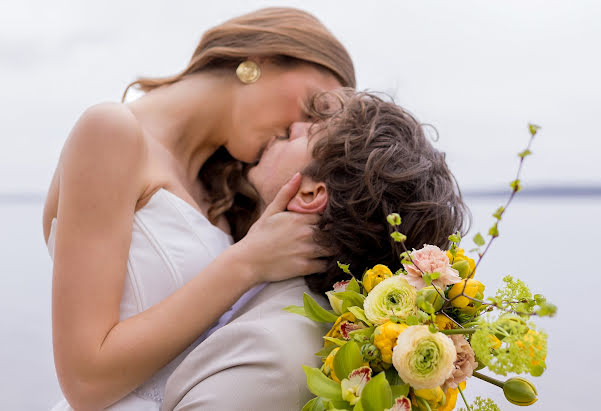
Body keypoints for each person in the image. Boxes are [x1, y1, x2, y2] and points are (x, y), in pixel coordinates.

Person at [42, 8, 355, 411]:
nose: (300, 127)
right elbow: (84, 382)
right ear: (261, 59)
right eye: (312, 106)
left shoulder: (226, 186)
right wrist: (248, 262)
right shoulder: (110, 131)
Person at [162, 90, 469, 411]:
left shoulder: (265, 351)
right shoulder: (316, 322)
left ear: (310, 194)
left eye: (309, 131)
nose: (292, 125)